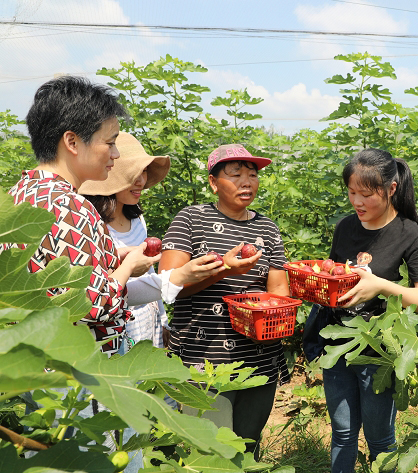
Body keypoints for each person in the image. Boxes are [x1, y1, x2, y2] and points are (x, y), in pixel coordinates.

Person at [2, 76, 158, 354]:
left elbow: (56, 274)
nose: (116, 154)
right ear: (72, 141)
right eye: (109, 143)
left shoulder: (20, 193)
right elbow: (93, 303)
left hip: (35, 356)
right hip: (78, 370)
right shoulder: (70, 205)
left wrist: (110, 257)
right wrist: (128, 268)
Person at [157, 143, 289, 459]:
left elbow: (279, 290)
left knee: (245, 450)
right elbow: (166, 287)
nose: (247, 182)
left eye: (252, 174)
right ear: (214, 182)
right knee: (210, 454)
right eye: (236, 174)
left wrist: (273, 310)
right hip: (201, 361)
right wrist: (224, 271)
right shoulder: (191, 220)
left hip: (259, 360)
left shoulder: (267, 229)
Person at [323, 149, 418, 473]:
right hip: (339, 344)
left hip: (379, 350)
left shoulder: (409, 234)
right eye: (351, 193)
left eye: (366, 194)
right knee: (343, 433)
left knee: (380, 439)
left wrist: (381, 286)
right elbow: (336, 273)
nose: (357, 202)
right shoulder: (346, 227)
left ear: (390, 189)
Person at [79, 132, 226, 349]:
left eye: (145, 171)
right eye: (133, 173)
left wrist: (163, 321)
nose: (141, 181)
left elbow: (148, 274)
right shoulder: (92, 223)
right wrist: (180, 275)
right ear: (111, 173)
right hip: (112, 327)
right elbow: (97, 293)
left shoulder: (137, 219)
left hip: (148, 321)